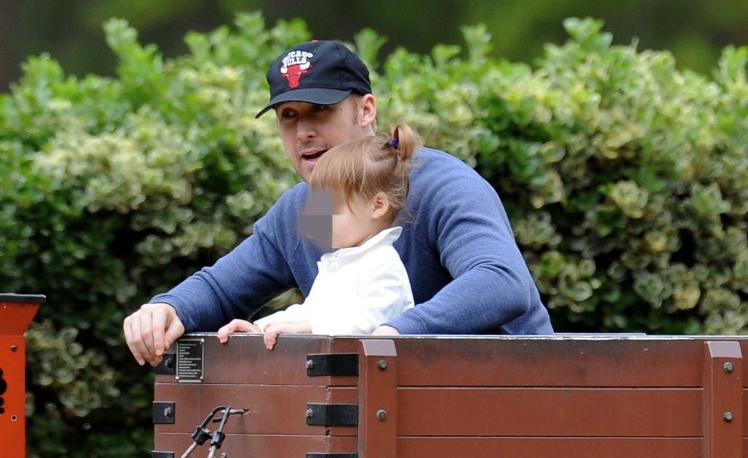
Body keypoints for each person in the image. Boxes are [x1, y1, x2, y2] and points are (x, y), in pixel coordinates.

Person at [123, 39, 552, 365]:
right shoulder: (306, 207)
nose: (303, 132)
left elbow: (501, 282)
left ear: (366, 110)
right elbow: (220, 289)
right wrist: (168, 307)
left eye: (319, 111)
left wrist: (392, 334)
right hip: (397, 425)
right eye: (288, 116)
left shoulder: (441, 184)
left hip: (516, 411)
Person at [216, 124, 418, 350]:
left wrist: (308, 326)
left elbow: (368, 321)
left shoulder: (382, 264)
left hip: (378, 382)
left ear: (377, 206)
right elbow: (310, 311)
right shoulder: (344, 262)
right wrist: (261, 328)